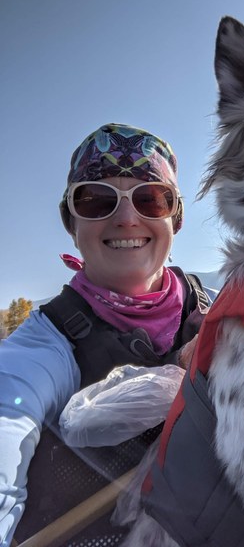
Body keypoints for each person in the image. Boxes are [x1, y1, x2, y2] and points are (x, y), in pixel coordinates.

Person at [0, 123, 211, 547]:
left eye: (151, 199)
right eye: (96, 200)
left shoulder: (225, 312)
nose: (127, 218)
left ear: (176, 218)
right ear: (71, 222)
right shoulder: (43, 346)